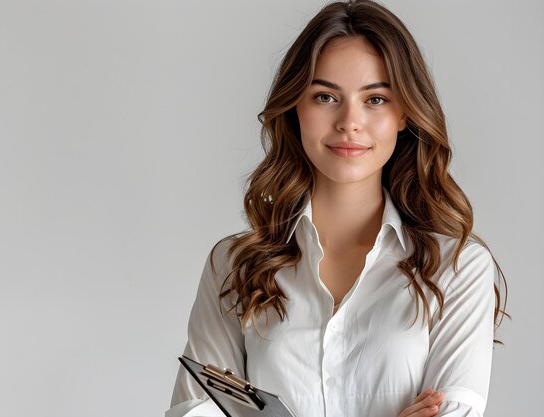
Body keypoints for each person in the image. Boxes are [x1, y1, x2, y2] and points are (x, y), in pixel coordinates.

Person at [166, 1, 508, 416]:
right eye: (326, 96)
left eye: (376, 99)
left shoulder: (457, 267)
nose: (350, 121)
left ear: (405, 113)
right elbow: (193, 411)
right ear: (296, 108)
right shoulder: (234, 266)